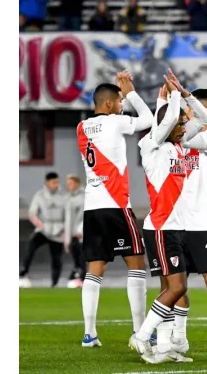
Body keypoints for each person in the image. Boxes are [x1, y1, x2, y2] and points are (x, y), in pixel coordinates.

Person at [129, 71, 207, 364]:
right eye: (181, 122)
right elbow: (168, 118)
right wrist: (172, 94)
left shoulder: (178, 145)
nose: (186, 125)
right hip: (161, 228)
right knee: (178, 287)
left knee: (169, 288)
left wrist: (185, 93)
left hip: (176, 227)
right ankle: (141, 337)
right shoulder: (151, 146)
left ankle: (163, 347)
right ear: (169, 123)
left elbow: (202, 119)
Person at [76, 72, 154, 348]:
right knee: (137, 264)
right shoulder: (115, 121)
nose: (122, 105)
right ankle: (139, 331)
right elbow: (149, 120)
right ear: (109, 104)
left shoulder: (82, 127)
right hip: (117, 205)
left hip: (92, 207)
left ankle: (89, 333)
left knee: (94, 270)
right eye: (119, 101)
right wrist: (131, 91)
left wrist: (124, 95)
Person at [161, 88, 207, 357]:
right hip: (178, 223)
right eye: (190, 109)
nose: (192, 114)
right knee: (173, 285)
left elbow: (186, 138)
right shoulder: (179, 142)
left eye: (201, 109)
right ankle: (179, 338)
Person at [20, 172, 67, 288]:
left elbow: (68, 214)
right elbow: (32, 213)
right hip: (43, 229)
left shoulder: (64, 196)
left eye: (57, 182)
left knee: (57, 258)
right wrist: (40, 226)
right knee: (30, 247)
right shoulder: (39, 196)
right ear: (47, 183)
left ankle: (54, 284)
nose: (56, 185)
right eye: (53, 182)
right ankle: (23, 273)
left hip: (58, 230)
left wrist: (65, 229)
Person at [64, 174, 86, 285]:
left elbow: (85, 215)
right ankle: (77, 279)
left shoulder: (84, 197)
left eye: (71, 183)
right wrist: (66, 239)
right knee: (76, 259)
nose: (69, 186)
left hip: (81, 234)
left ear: (77, 183)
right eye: (67, 184)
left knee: (82, 259)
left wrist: (81, 229)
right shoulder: (68, 198)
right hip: (72, 235)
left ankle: (82, 280)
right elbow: (67, 220)